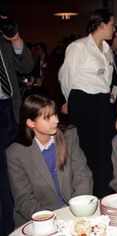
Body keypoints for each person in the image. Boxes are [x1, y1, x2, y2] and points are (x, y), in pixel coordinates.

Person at [6, 95, 93, 227]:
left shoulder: (69, 135)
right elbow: (24, 199)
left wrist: (78, 209)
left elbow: (83, 175)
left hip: (74, 212)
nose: (56, 120)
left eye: (55, 115)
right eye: (47, 118)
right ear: (31, 123)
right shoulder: (16, 153)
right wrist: (51, 221)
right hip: (38, 219)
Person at [58, 9, 117, 197]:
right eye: (112, 24)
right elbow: (65, 77)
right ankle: (88, 194)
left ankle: (105, 193)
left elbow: (107, 81)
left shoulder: (108, 50)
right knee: (87, 150)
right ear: (101, 25)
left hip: (102, 102)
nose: (114, 29)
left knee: (106, 149)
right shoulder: (78, 47)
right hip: (83, 102)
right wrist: (70, 101)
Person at [0, 3, 34, 233]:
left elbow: (27, 66)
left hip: (8, 109)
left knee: (12, 168)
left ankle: (13, 222)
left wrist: (15, 40)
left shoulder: (4, 41)